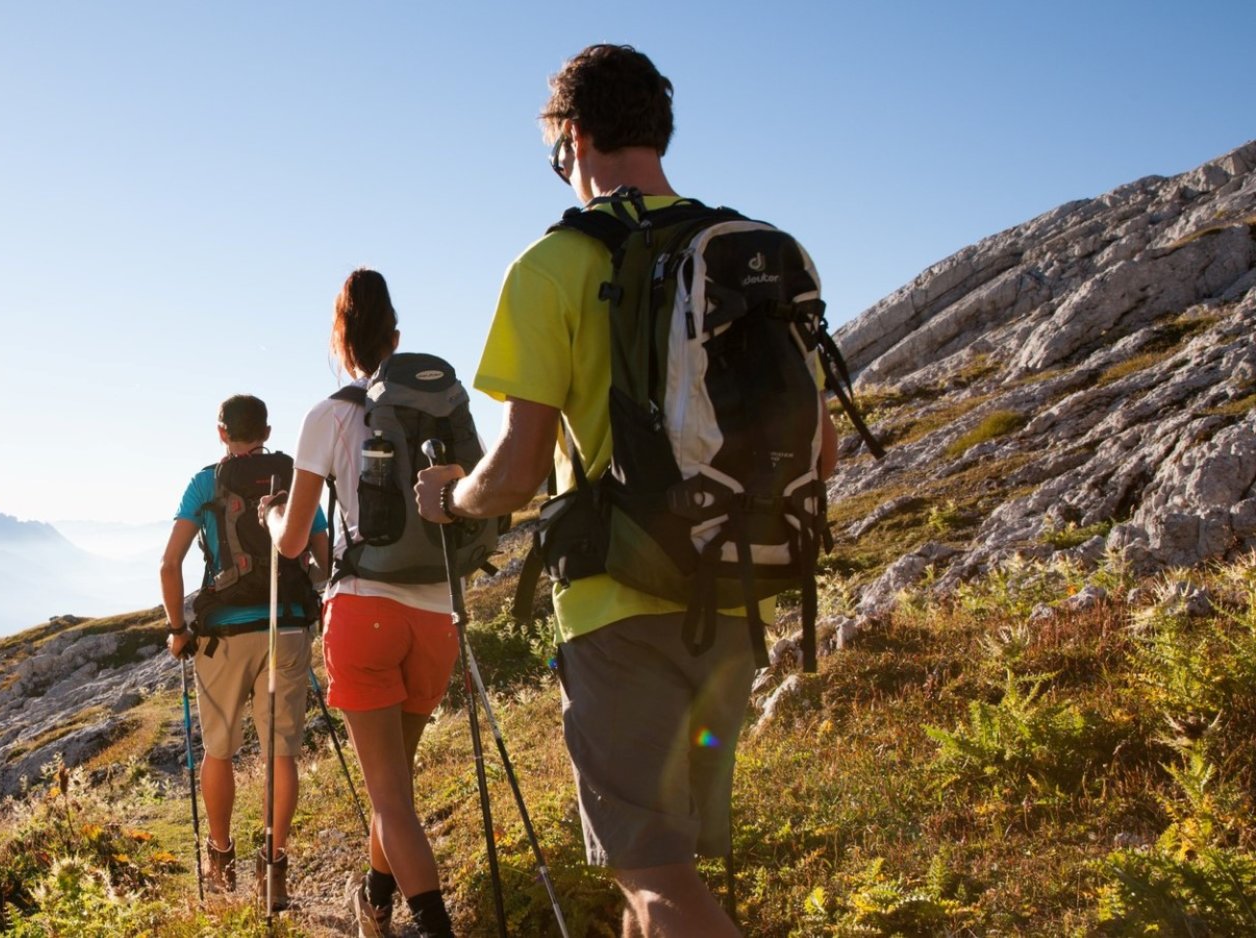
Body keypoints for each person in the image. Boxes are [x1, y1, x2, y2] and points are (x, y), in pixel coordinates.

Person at [412, 45, 840, 937]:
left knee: (654, 878)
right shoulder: (755, 252)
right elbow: (824, 451)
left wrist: (451, 500)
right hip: (735, 591)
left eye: (557, 150)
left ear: (573, 135)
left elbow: (520, 471)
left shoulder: (551, 265)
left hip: (621, 604)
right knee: (653, 872)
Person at [264, 269, 462, 938]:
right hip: (438, 614)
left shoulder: (327, 415)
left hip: (365, 612)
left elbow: (293, 543)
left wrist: (269, 519)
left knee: (391, 801)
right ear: (397, 339)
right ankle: (376, 906)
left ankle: (434, 927)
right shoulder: (436, 412)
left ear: (341, 342)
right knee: (395, 788)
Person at [160, 393, 329, 908]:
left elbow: (170, 566)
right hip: (288, 630)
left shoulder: (203, 483)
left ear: (221, 433)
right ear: (268, 431)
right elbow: (322, 561)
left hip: (224, 636)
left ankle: (220, 858)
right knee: (281, 753)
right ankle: (274, 869)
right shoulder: (294, 481)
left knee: (219, 750)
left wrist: (177, 630)